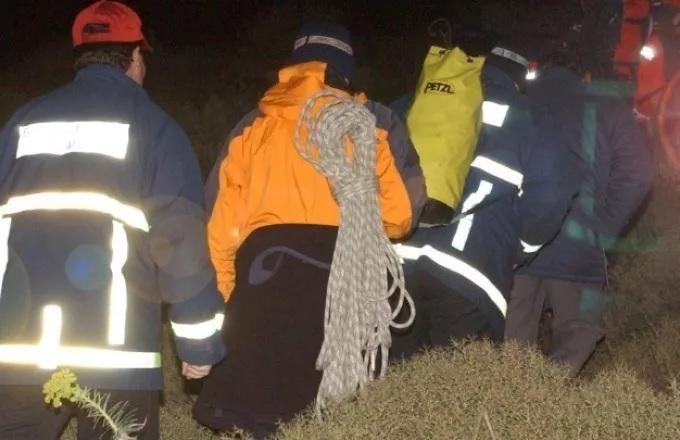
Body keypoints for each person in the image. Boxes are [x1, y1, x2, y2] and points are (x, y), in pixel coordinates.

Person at [0, 2, 226, 439]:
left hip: (16, 352)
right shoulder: (156, 129)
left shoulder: (19, 125)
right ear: (136, 56)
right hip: (116, 357)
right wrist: (199, 342)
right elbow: (181, 244)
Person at [194, 22, 426, 438]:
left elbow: (220, 226)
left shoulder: (252, 126)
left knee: (255, 414)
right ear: (345, 72)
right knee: (330, 414)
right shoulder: (373, 124)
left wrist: (228, 298)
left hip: (263, 280)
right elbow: (399, 216)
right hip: (339, 285)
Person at [390, 37, 580, 359]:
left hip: (395, 266)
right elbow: (554, 192)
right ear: (521, 80)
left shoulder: (421, 99)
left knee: (391, 381)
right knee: (456, 386)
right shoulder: (532, 118)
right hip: (470, 276)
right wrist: (521, 249)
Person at [505, 11, 654, 376]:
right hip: (579, 251)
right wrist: (602, 229)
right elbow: (639, 175)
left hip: (519, 245)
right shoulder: (608, 106)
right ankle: (549, 395)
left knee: (510, 350)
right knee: (580, 331)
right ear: (587, 75)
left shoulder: (518, 100)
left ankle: (514, 399)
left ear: (539, 70)